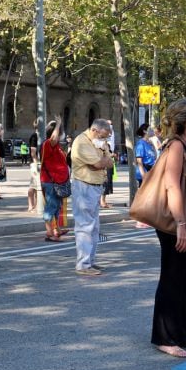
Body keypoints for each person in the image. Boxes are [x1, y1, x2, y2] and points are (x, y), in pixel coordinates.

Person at [150, 99, 186, 358]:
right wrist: (181, 225)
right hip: (177, 224)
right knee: (172, 277)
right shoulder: (175, 146)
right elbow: (172, 186)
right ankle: (163, 337)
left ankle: (180, 333)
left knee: (183, 278)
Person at [70, 119, 113, 275]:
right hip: (84, 186)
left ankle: (90, 261)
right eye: (103, 136)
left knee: (94, 228)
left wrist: (105, 157)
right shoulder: (82, 142)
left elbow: (109, 161)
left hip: (95, 187)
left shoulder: (97, 142)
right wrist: (104, 159)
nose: (105, 140)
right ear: (95, 130)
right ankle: (83, 264)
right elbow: (99, 164)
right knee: (85, 226)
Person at [39, 118, 68, 241]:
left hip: (58, 182)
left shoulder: (56, 147)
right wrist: (59, 124)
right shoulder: (48, 144)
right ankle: (49, 232)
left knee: (56, 206)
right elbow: (53, 138)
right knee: (51, 206)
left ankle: (57, 229)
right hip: (50, 181)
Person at [134, 123, 156, 187]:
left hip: (151, 170)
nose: (152, 131)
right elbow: (139, 161)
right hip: (145, 170)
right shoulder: (141, 144)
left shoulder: (149, 143)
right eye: (150, 129)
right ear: (145, 131)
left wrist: (153, 146)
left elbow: (155, 157)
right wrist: (143, 175)